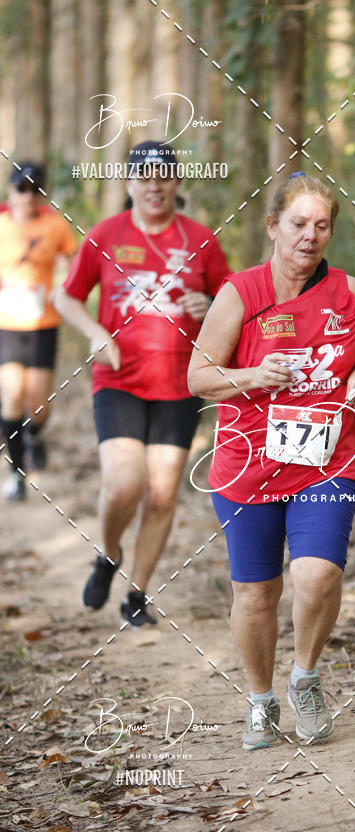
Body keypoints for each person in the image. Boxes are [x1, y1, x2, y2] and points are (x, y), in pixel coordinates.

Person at [188, 173, 355, 749]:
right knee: (256, 592)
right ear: (273, 227)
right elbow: (198, 377)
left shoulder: (351, 293)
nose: (310, 236)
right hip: (248, 460)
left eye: (321, 226)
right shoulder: (240, 293)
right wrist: (251, 376)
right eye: (298, 224)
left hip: (327, 457)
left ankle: (305, 678)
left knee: (317, 572)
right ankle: (260, 698)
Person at [55, 140, 231, 627]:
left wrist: (210, 302)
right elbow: (66, 297)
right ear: (130, 184)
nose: (155, 186)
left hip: (180, 383)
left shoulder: (200, 238)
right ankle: (108, 555)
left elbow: (234, 296)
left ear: (176, 185)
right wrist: (93, 331)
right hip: (119, 378)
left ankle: (136, 594)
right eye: (144, 176)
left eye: (164, 177)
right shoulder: (106, 235)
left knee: (161, 495)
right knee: (123, 484)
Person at [0, 162, 77, 500]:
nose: (27, 197)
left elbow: (76, 262)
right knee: (12, 397)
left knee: (39, 406)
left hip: (43, 324)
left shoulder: (55, 227)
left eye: (35, 190)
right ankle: (17, 474)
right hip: (7, 324)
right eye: (22, 188)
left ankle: (35, 435)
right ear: (10, 190)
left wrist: (63, 278)